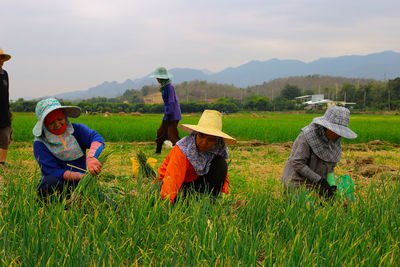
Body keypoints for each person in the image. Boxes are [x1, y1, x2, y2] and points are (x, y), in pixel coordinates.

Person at [155, 110, 236, 203]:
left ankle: (211, 201)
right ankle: (193, 200)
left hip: (192, 182)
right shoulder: (183, 149)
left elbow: (221, 174)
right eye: (201, 136)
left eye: (210, 139)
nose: (204, 142)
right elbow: (172, 179)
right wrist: (166, 202)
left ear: (216, 141)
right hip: (167, 183)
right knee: (180, 198)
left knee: (220, 163)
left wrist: (220, 196)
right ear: (195, 134)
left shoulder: (216, 149)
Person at [33, 98, 105, 198]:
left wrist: (91, 157)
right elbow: (52, 171)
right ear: (44, 124)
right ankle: (62, 206)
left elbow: (97, 139)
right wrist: (79, 176)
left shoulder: (77, 130)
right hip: (57, 187)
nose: (57, 124)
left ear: (64, 117)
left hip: (82, 184)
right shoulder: (40, 143)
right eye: (51, 122)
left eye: (60, 119)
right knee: (48, 183)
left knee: (110, 207)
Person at [282, 105, 357, 199]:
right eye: (333, 130)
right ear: (325, 126)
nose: (336, 134)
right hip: (298, 181)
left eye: (339, 132)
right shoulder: (307, 136)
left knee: (339, 203)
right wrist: (320, 180)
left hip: (319, 184)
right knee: (310, 208)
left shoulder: (335, 141)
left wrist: (331, 185)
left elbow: (330, 168)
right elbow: (298, 163)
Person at [150, 67, 182, 154]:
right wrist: (167, 115)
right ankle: (158, 151)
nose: (157, 79)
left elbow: (171, 101)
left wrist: (169, 115)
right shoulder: (164, 87)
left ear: (162, 77)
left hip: (173, 114)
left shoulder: (169, 87)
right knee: (161, 132)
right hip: (168, 113)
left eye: (158, 77)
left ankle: (180, 153)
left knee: (173, 135)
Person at [0, 48, 12, 165]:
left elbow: (6, 93)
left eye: (2, 58)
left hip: (4, 113)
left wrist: (8, 111)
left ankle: (1, 163)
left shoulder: (5, 74)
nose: (1, 61)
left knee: (5, 137)